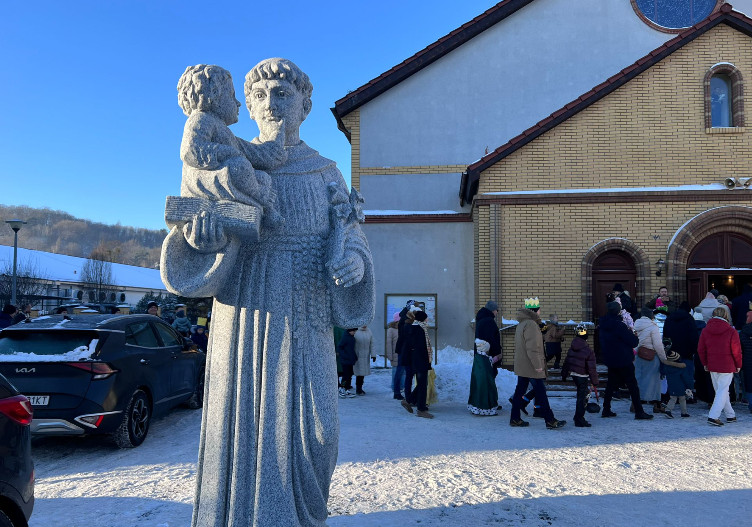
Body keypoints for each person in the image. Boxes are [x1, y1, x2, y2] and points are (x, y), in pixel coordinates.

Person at [161, 58, 375, 527]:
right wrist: (203, 238)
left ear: (305, 106)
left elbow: (351, 233)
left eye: (282, 93)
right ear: (248, 106)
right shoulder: (224, 159)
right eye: (259, 95)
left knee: (320, 434)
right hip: (246, 311)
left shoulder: (326, 171)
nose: (270, 103)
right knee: (242, 428)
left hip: (308, 310)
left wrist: (355, 263)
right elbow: (188, 237)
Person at [177, 64, 281, 227]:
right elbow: (190, 150)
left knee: (262, 177)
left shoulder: (224, 131)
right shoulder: (200, 119)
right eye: (232, 96)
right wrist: (228, 153)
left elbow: (258, 154)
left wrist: (277, 136)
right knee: (240, 167)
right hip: (205, 180)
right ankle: (262, 200)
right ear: (213, 95)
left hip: (229, 175)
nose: (238, 103)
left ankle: (265, 207)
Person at [509, 297, 566, 429]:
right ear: (535, 311)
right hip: (531, 366)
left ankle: (515, 418)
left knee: (520, 391)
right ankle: (550, 420)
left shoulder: (522, 323)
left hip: (523, 364)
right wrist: (538, 365)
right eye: (539, 309)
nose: (540, 312)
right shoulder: (531, 325)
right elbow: (533, 348)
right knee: (541, 392)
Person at [599, 301, 653, 420]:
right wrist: (633, 335)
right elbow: (633, 342)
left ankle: (606, 409)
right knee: (632, 386)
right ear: (618, 311)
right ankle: (639, 411)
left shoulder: (602, 325)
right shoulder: (619, 325)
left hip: (610, 359)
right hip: (623, 359)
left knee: (610, 385)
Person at [698, 307, 742, 426]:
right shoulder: (731, 331)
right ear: (726, 315)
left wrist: (705, 363)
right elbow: (736, 350)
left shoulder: (705, 330)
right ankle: (713, 416)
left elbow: (701, 349)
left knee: (721, 391)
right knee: (722, 391)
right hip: (727, 364)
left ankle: (730, 415)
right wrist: (738, 364)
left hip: (712, 364)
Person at [468, 301, 502, 416]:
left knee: (481, 381)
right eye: (497, 310)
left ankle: (483, 404)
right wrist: (497, 353)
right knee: (487, 381)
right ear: (493, 310)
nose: (497, 312)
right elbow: (491, 339)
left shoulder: (481, 319)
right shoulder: (489, 321)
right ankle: (486, 406)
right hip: (487, 356)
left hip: (480, 355)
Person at [561, 323, 598, 427]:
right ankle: (579, 419)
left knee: (582, 396)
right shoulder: (588, 350)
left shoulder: (572, 347)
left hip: (574, 374)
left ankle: (578, 417)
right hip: (582, 376)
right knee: (582, 398)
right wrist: (595, 381)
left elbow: (567, 361)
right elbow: (591, 368)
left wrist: (564, 374)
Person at [634, 307, 667, 414]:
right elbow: (658, 345)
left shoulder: (635, 325)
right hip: (651, 357)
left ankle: (635, 404)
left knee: (638, 380)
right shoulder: (653, 327)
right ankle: (657, 404)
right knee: (654, 382)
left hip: (638, 356)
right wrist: (663, 358)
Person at [403, 310, 434, 419]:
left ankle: (409, 400)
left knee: (422, 384)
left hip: (417, 361)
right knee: (422, 386)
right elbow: (421, 348)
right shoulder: (420, 330)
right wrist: (426, 362)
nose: (427, 320)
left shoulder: (415, 328)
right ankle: (421, 409)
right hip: (420, 362)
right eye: (426, 318)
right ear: (422, 319)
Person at [661, 348, 690, 418]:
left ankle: (673, 411)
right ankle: (673, 411)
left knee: (673, 398)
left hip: (671, 386)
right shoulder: (681, 369)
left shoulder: (666, 368)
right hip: (681, 386)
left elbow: (662, 371)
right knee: (682, 399)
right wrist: (689, 386)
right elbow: (686, 378)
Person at [386, 312, 405, 400]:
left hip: (402, 354)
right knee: (395, 371)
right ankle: (394, 387)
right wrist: (390, 356)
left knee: (403, 372)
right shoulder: (391, 330)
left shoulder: (402, 328)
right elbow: (388, 344)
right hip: (394, 354)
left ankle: (402, 386)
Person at [353, 325, 374, 395]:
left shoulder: (369, 331)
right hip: (357, 355)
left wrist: (373, 354)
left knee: (362, 373)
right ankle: (356, 388)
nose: (365, 326)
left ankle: (360, 388)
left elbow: (372, 343)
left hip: (366, 356)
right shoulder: (356, 332)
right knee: (358, 373)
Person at [337, 328, 358, 398]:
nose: (354, 332)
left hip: (350, 360)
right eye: (353, 331)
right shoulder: (345, 337)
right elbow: (340, 347)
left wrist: (354, 357)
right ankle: (342, 388)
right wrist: (345, 356)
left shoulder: (352, 338)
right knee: (345, 376)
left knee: (349, 375)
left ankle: (347, 389)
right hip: (345, 360)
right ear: (350, 331)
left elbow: (351, 349)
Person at [739, 310, 752, 413]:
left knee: (749, 384)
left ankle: (751, 405)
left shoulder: (744, 331)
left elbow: (740, 348)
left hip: (747, 361)